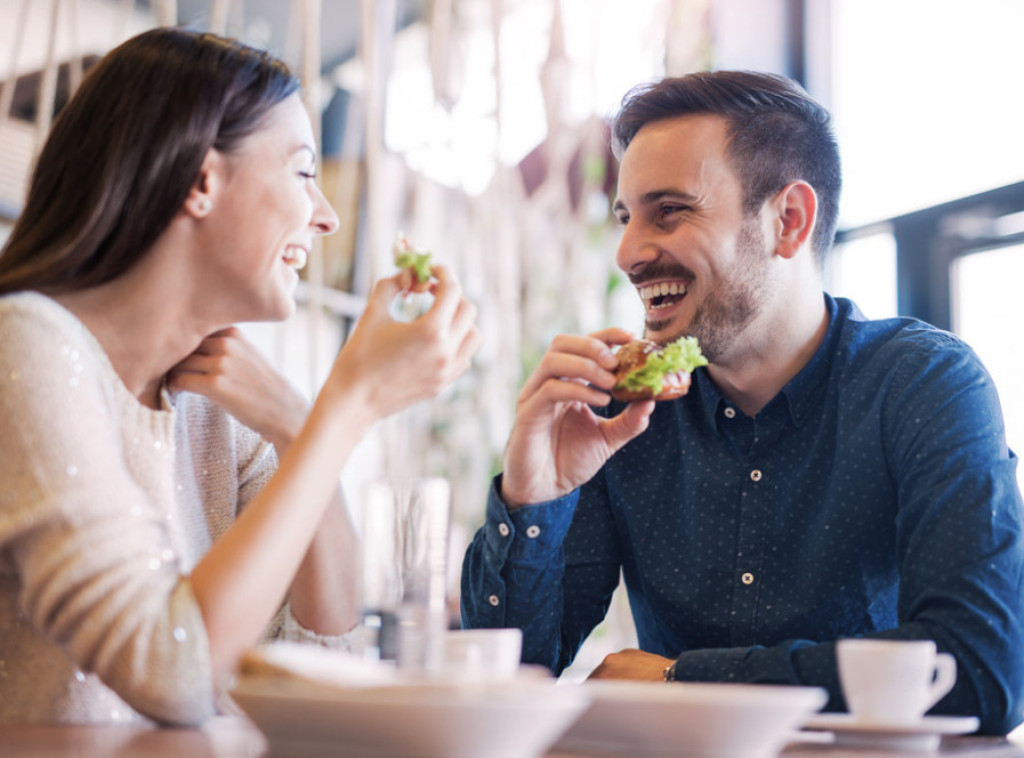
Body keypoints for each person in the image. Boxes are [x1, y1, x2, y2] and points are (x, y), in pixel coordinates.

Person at [461, 70, 1024, 735]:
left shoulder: (922, 385)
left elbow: (982, 670)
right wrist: (533, 496)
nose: (629, 252)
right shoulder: (619, 413)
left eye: (668, 210)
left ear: (789, 221)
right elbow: (505, 679)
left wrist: (683, 681)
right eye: (625, 216)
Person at [0, 28, 480, 726]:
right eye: (303, 171)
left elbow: (326, 659)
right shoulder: (25, 344)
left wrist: (298, 424)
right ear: (201, 179)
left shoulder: (213, 408)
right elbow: (174, 672)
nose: (327, 216)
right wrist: (348, 408)